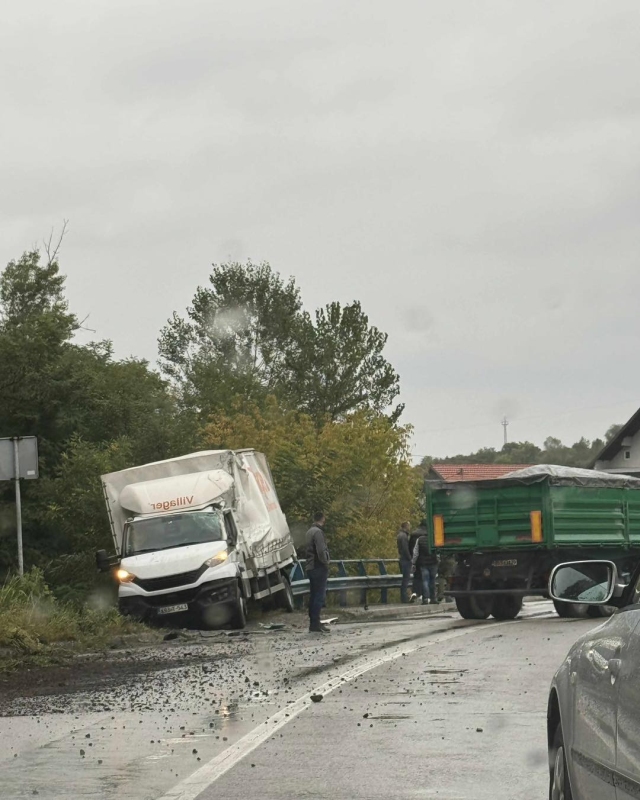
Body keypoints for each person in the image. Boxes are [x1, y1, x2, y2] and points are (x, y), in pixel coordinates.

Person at [305, 511, 331, 633]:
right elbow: (321, 551)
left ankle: (313, 622)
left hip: (310, 567)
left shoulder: (309, 532)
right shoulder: (318, 532)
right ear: (322, 518)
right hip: (318, 566)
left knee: (313, 595)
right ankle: (316, 623)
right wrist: (326, 563)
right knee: (319, 596)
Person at [411, 521, 439, 604]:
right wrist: (438, 560)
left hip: (423, 564)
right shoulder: (434, 539)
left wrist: (414, 563)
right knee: (432, 581)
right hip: (433, 563)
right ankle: (433, 598)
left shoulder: (419, 540)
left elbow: (415, 552)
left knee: (425, 581)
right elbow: (437, 552)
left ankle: (425, 599)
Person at [396, 521, 412, 603]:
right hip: (405, 560)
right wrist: (410, 558)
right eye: (409, 526)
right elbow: (405, 549)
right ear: (406, 526)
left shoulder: (400, 535)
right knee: (406, 579)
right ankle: (404, 598)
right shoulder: (404, 536)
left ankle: (404, 596)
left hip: (401, 558)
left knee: (405, 579)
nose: (410, 528)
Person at [408, 527, 422, 602]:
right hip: (427, 561)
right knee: (426, 578)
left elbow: (411, 548)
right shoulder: (428, 535)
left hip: (417, 561)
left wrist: (413, 561)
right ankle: (424, 595)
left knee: (416, 577)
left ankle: (415, 592)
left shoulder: (413, 535)